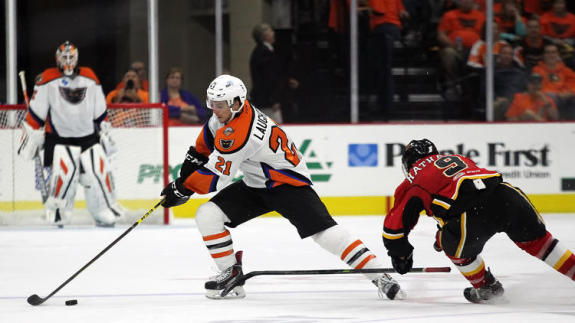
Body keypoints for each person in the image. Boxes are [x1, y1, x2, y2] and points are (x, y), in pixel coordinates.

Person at [160, 74, 403, 300]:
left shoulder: (242, 132)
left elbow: (215, 177)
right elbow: (202, 147)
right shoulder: (223, 116)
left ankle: (379, 274)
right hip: (256, 184)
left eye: (220, 104)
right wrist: (184, 176)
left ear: (236, 103)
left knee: (325, 233)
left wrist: (182, 188)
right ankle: (232, 278)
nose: (214, 109)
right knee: (208, 215)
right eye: (212, 102)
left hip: (287, 184)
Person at [382, 139, 575, 304]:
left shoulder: (413, 179)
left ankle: (487, 288)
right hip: (508, 195)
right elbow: (457, 195)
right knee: (541, 243)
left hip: (473, 213)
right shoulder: (458, 158)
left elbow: (394, 229)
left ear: (408, 163)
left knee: (453, 247)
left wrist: (401, 256)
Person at [17, 41, 123, 227]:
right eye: (64, 57)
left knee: (98, 172)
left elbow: (99, 109)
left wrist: (105, 125)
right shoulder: (47, 78)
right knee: (65, 175)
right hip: (59, 139)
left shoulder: (89, 77)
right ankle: (59, 212)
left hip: (89, 137)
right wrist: (30, 136)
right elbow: (35, 115)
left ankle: (103, 210)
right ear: (57, 59)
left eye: (71, 57)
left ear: (77, 58)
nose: (67, 61)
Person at [249, 23, 299, 123]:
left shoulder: (265, 52)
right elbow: (267, 79)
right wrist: (273, 100)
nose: (273, 33)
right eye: (270, 31)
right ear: (265, 35)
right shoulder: (263, 53)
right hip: (267, 102)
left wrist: (287, 81)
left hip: (266, 100)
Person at [367, 0, 408, 118]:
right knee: (384, 69)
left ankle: (386, 106)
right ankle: (385, 104)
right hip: (389, 30)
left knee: (383, 69)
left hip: (384, 29)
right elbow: (403, 12)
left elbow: (379, 11)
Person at [437, 0, 486, 99]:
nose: (467, 2)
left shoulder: (481, 16)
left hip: (476, 50)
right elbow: (441, 35)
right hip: (456, 49)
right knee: (448, 53)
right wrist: (452, 44)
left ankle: (481, 90)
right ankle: (452, 83)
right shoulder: (449, 15)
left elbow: (487, 34)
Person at [532, 43, 575, 119]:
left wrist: (569, 93)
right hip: (549, 99)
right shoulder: (537, 70)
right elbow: (537, 88)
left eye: (553, 52)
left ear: (558, 54)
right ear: (543, 55)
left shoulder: (566, 70)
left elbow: (572, 85)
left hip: (566, 98)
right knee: (550, 97)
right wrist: (558, 94)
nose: (551, 55)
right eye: (548, 52)